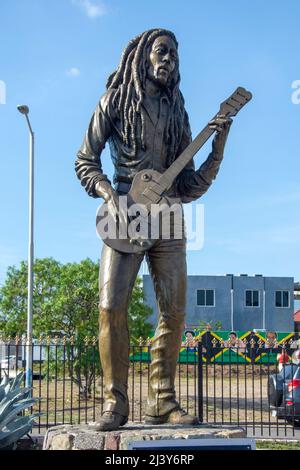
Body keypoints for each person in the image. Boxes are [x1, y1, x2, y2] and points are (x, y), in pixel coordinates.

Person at [75, 28, 232, 431]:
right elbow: (85, 160)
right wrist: (110, 196)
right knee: (111, 307)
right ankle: (115, 402)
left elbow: (189, 184)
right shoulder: (114, 101)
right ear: (144, 56)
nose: (170, 60)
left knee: (175, 310)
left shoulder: (178, 111)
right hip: (125, 209)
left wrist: (218, 146)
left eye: (175, 55)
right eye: (163, 52)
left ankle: (162, 400)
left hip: (169, 217)